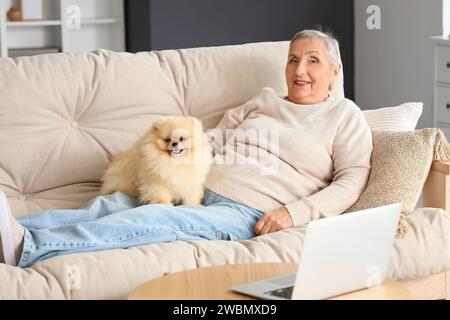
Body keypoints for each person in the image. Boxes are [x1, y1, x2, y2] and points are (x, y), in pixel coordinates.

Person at [0, 30, 373, 268]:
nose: (299, 70)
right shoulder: (264, 100)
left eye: (312, 60)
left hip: (247, 211)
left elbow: (353, 177)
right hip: (194, 186)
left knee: (155, 220)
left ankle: (29, 245)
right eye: (293, 59)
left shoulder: (343, 115)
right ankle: (11, 229)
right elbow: (207, 140)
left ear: (335, 71)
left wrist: (294, 213)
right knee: (109, 206)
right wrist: (144, 159)